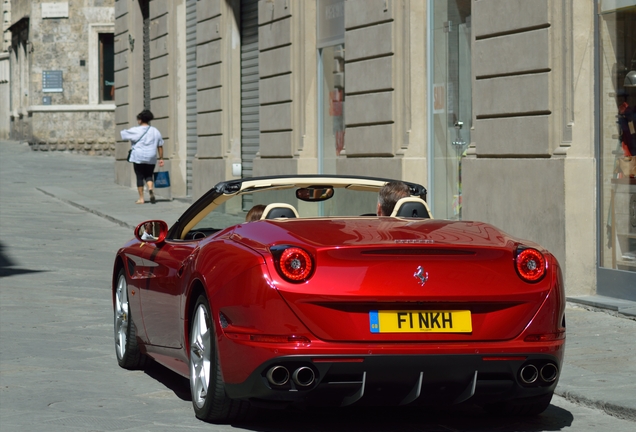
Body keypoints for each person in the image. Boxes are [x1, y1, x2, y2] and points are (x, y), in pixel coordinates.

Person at [121, 110, 164, 204]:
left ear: (140, 120)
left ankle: (141, 198)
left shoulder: (136, 130)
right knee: (149, 175)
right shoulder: (155, 131)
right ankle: (150, 188)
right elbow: (160, 146)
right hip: (151, 157)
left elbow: (123, 135)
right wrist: (161, 158)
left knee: (139, 176)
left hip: (138, 156)